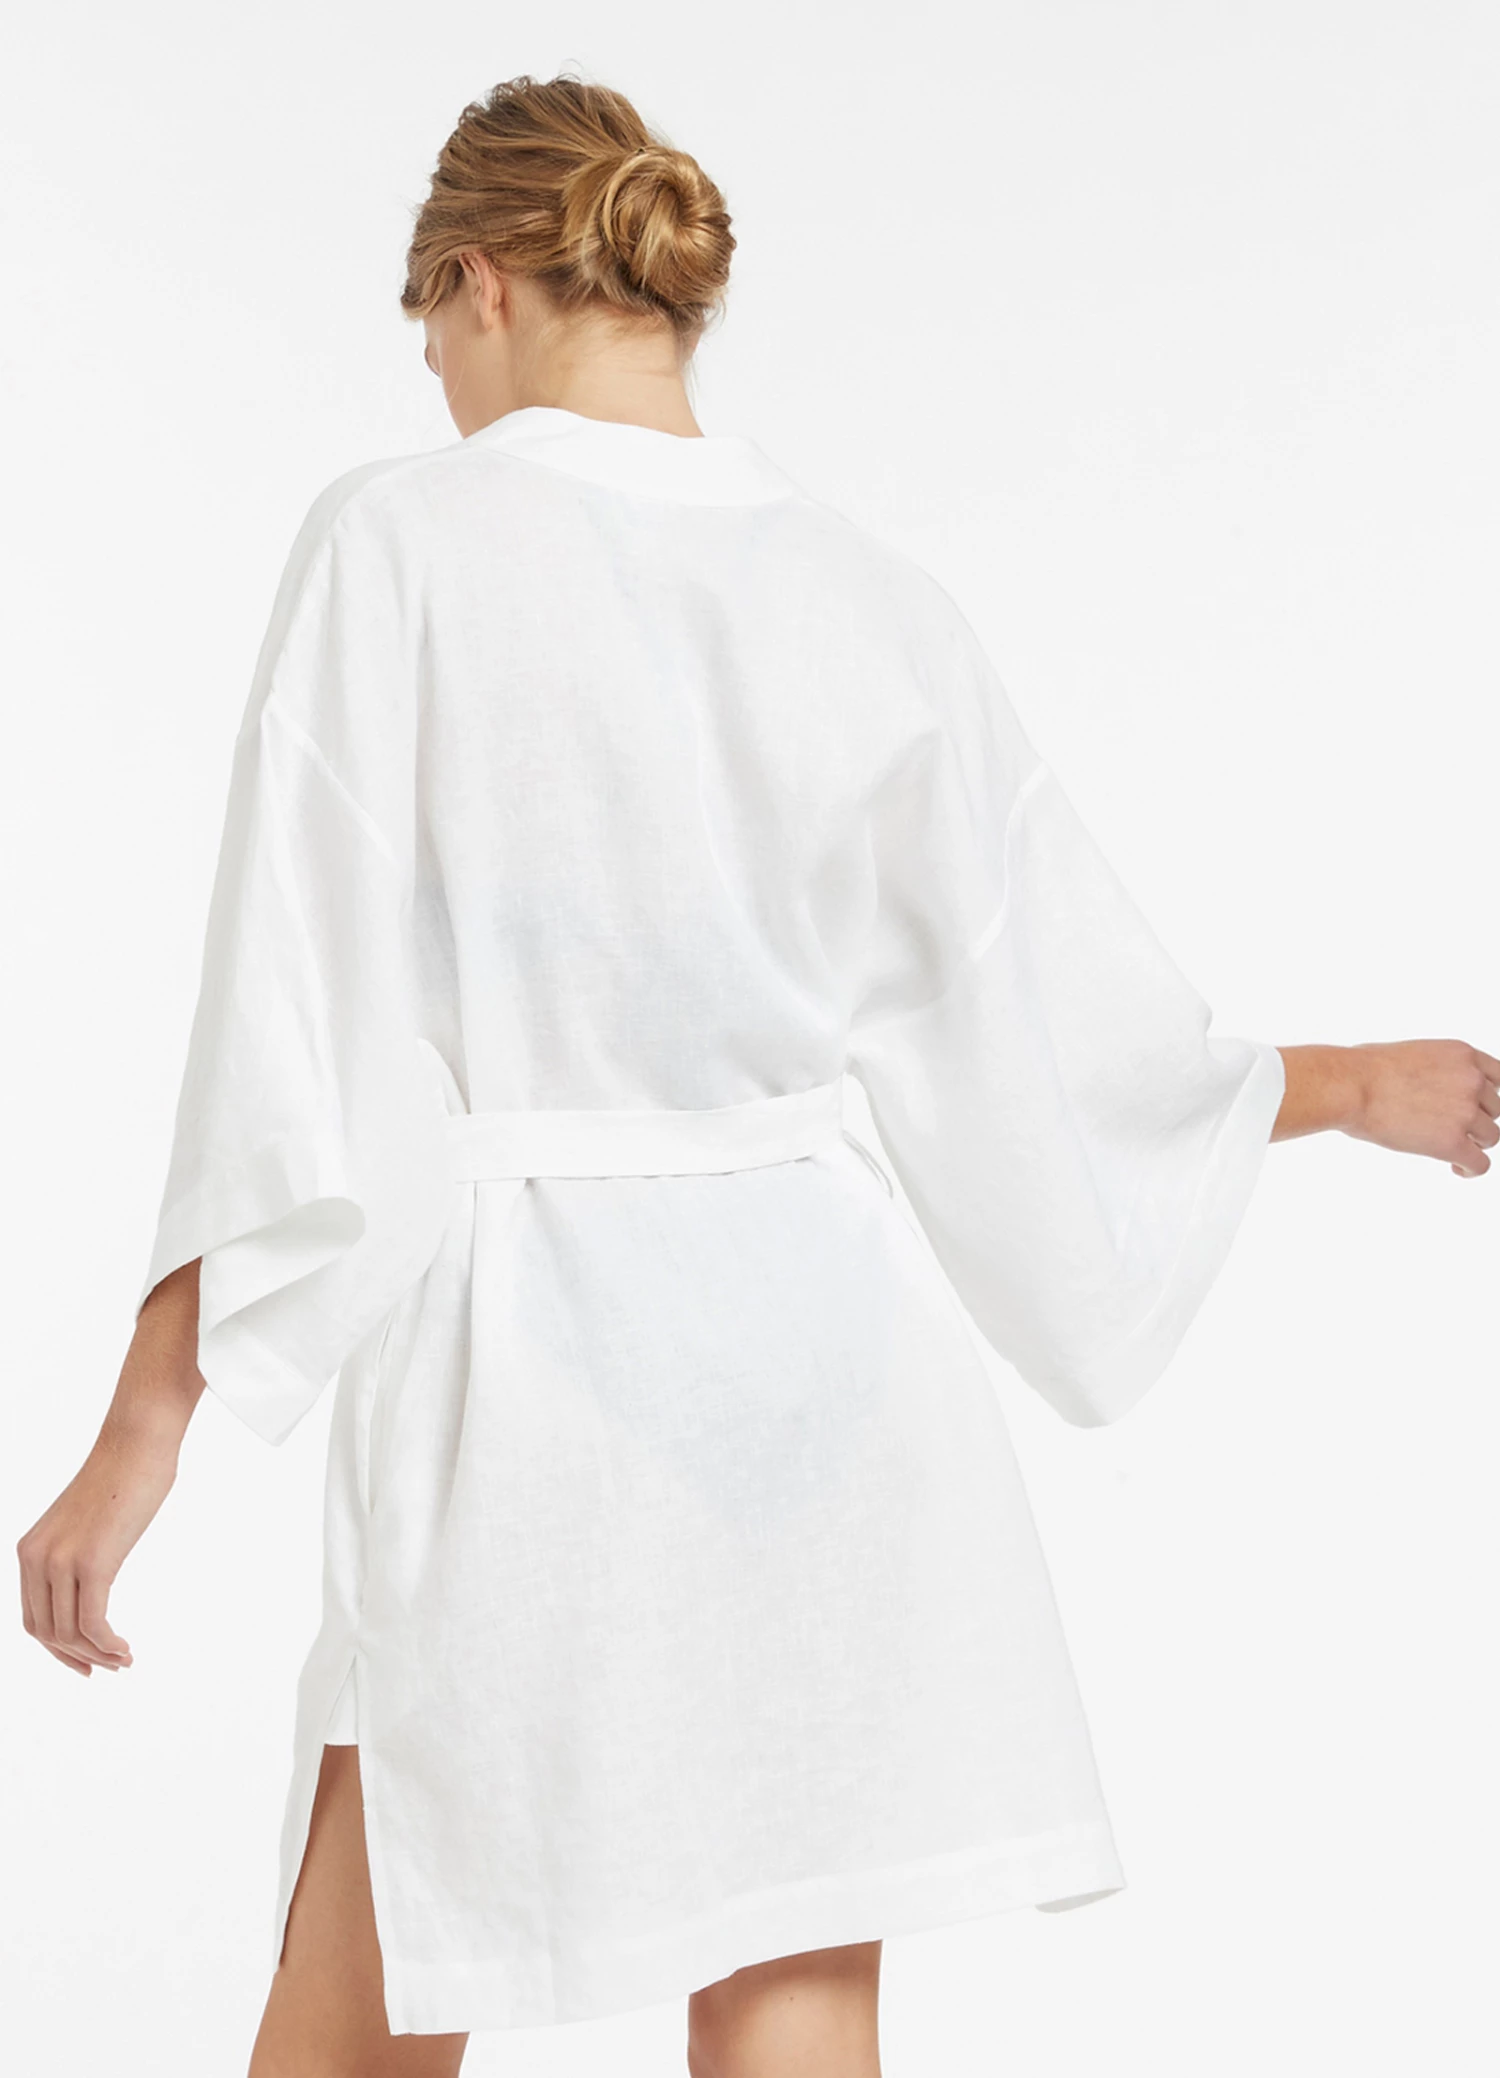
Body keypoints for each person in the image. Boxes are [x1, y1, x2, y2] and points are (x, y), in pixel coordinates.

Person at [15, 70, 1497, 2078]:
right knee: (787, 2005)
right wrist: (1332, 1083)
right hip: (827, 1401)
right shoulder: (873, 599)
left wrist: (148, 1425)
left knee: (376, 1994)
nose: (434, 381)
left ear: (476, 284)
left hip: (531, 1391)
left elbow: (290, 1020)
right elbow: (1038, 1034)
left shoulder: (403, 539)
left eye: (429, 332)